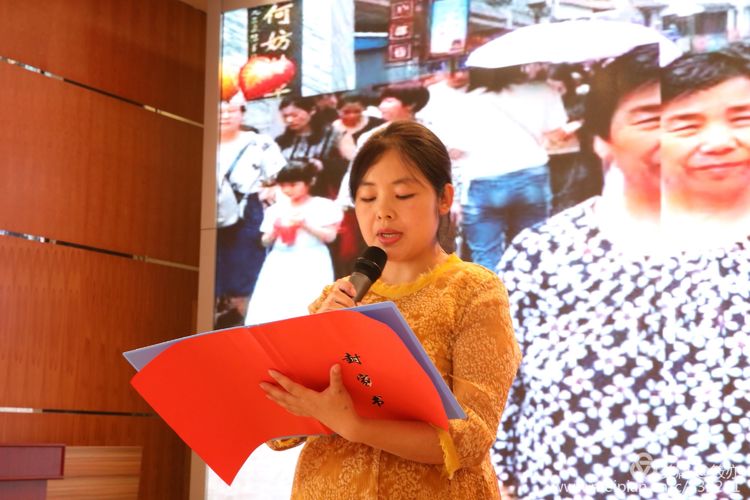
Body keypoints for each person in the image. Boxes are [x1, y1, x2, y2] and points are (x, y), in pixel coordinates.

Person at [493, 44, 750, 498]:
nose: (715, 142)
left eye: (741, 117)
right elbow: (496, 393)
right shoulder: (545, 255)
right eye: (661, 120)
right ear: (601, 140)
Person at [260, 121, 521, 499]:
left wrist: (356, 426)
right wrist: (311, 343)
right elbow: (280, 435)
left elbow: (471, 439)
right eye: (367, 198)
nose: (382, 212)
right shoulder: (337, 296)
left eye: (403, 195)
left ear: (444, 198)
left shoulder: (474, 291)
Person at [455, 64, 569, 270]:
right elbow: (556, 134)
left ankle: (494, 291)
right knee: (531, 250)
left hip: (484, 180)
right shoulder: (544, 90)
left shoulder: (467, 101)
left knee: (486, 255)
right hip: (532, 176)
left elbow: (456, 150)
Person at [215, 92, 287, 328]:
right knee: (213, 272)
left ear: (242, 113)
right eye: (220, 111)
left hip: (247, 211)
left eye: (231, 111)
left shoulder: (259, 143)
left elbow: (281, 178)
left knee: (244, 270)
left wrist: (271, 191)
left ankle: (243, 322)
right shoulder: (200, 141)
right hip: (208, 214)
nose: (225, 116)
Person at [245, 160, 343, 326]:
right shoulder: (275, 209)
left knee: (309, 302)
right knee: (273, 305)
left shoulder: (324, 206)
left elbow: (330, 237)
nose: (287, 190)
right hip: (280, 259)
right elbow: (264, 241)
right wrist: (275, 231)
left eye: (293, 184)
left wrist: (305, 225)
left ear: (309, 182)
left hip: (312, 258)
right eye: (283, 185)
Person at [276, 96, 347, 200]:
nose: (289, 120)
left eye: (295, 115)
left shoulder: (333, 135)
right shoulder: (281, 141)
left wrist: (323, 165)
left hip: (323, 193)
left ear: (312, 111)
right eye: (285, 116)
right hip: (288, 195)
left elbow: (349, 165)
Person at [332, 92, 385, 162]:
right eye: (346, 112)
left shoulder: (376, 124)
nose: (352, 116)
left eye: (357, 111)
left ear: (363, 109)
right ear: (338, 111)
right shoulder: (333, 129)